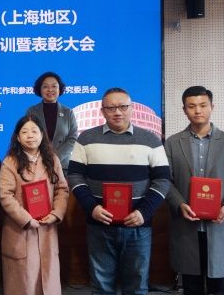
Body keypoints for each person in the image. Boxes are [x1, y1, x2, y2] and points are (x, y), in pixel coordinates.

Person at [67, 87, 171, 294]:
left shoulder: (150, 140)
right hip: (99, 224)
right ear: (102, 111)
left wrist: (144, 212)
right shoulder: (86, 138)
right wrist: (92, 208)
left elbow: (163, 179)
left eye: (123, 106)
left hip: (138, 225)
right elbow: (75, 176)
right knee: (101, 285)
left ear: (131, 109)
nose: (117, 112)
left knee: (137, 284)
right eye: (111, 108)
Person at [165, 86, 224, 295]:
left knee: (219, 287)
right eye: (191, 106)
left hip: (220, 226)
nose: (198, 110)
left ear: (212, 107)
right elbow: (165, 181)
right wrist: (179, 204)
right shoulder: (172, 143)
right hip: (186, 226)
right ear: (184, 110)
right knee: (191, 286)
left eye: (203, 105)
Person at [0, 114, 69, 295]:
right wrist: (26, 219)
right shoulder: (10, 162)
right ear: (17, 137)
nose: (30, 135)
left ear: (42, 135)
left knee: (48, 279)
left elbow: (62, 189)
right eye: (24, 132)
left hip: (47, 226)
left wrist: (55, 214)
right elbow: (5, 195)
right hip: (21, 229)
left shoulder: (52, 159)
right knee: (25, 283)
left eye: (34, 131)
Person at [26, 71, 78, 176]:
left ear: (59, 89)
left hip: (62, 166)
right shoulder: (32, 111)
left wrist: (55, 157)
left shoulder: (68, 112)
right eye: (45, 87)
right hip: (38, 165)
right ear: (40, 89)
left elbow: (73, 138)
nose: (50, 90)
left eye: (54, 86)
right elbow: (29, 136)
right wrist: (43, 158)